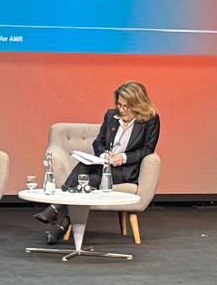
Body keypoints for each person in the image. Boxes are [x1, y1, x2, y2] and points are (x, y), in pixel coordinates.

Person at [34, 80, 160, 243]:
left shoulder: (150, 119)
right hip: (105, 165)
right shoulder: (111, 115)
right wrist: (104, 154)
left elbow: (148, 149)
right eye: (119, 104)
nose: (121, 110)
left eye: (126, 106)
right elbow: (98, 142)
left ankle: (56, 209)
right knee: (88, 173)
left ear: (138, 104)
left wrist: (122, 157)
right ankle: (61, 225)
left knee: (89, 176)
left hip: (126, 170)